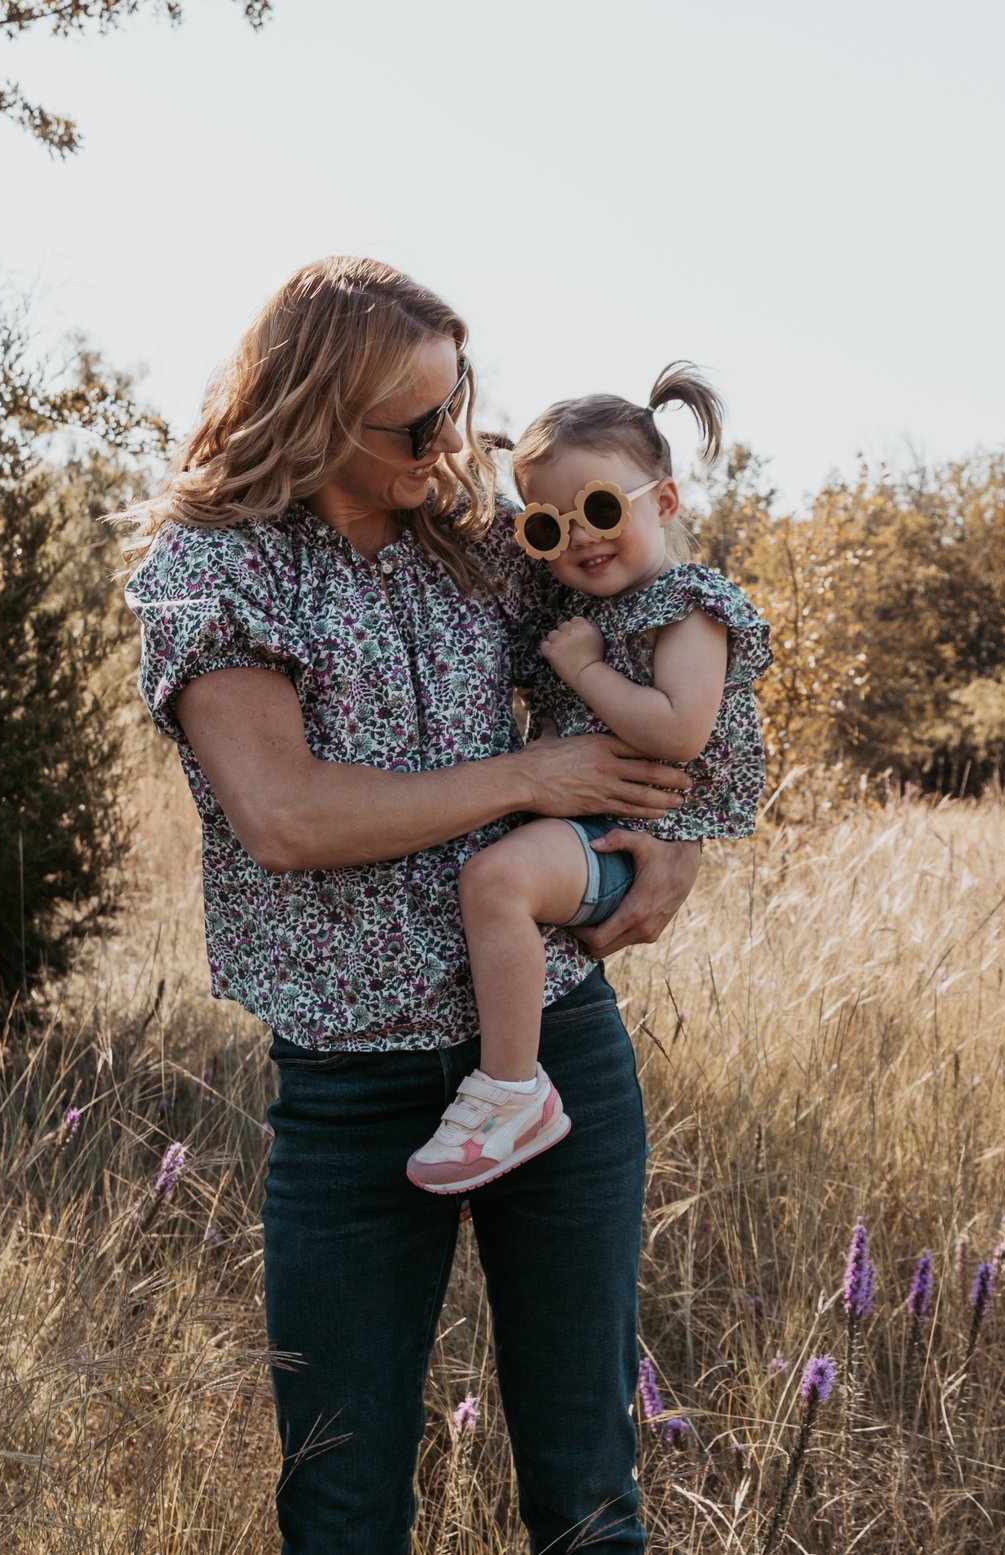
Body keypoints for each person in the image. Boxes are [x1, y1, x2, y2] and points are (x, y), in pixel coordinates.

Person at [119, 256, 695, 1555]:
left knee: (589, 1490)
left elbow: (670, 630)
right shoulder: (218, 575)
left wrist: (683, 840)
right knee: (342, 1497)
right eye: (416, 423)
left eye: (458, 403)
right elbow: (288, 813)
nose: (452, 443)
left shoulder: (489, 542)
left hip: (558, 1049)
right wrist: (530, 774)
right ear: (314, 413)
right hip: (353, 1090)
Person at [407, 366, 771, 1193]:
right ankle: (506, 1082)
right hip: (590, 830)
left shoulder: (688, 607)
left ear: (664, 503)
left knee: (495, 880)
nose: (581, 538)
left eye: (602, 509)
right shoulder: (592, 608)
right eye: (547, 528)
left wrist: (584, 669)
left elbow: (680, 727)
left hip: (621, 838)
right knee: (497, 879)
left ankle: (511, 1091)